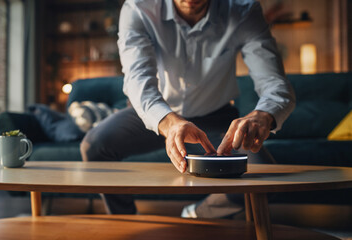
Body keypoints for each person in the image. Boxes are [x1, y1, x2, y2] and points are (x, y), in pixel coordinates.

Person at [80, 0, 295, 217]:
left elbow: (276, 84)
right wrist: (169, 122)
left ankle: (197, 214)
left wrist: (263, 115)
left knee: (266, 182)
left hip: (216, 117)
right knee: (95, 145)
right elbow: (138, 81)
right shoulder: (138, 8)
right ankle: (126, 221)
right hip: (155, 113)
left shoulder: (243, 10)